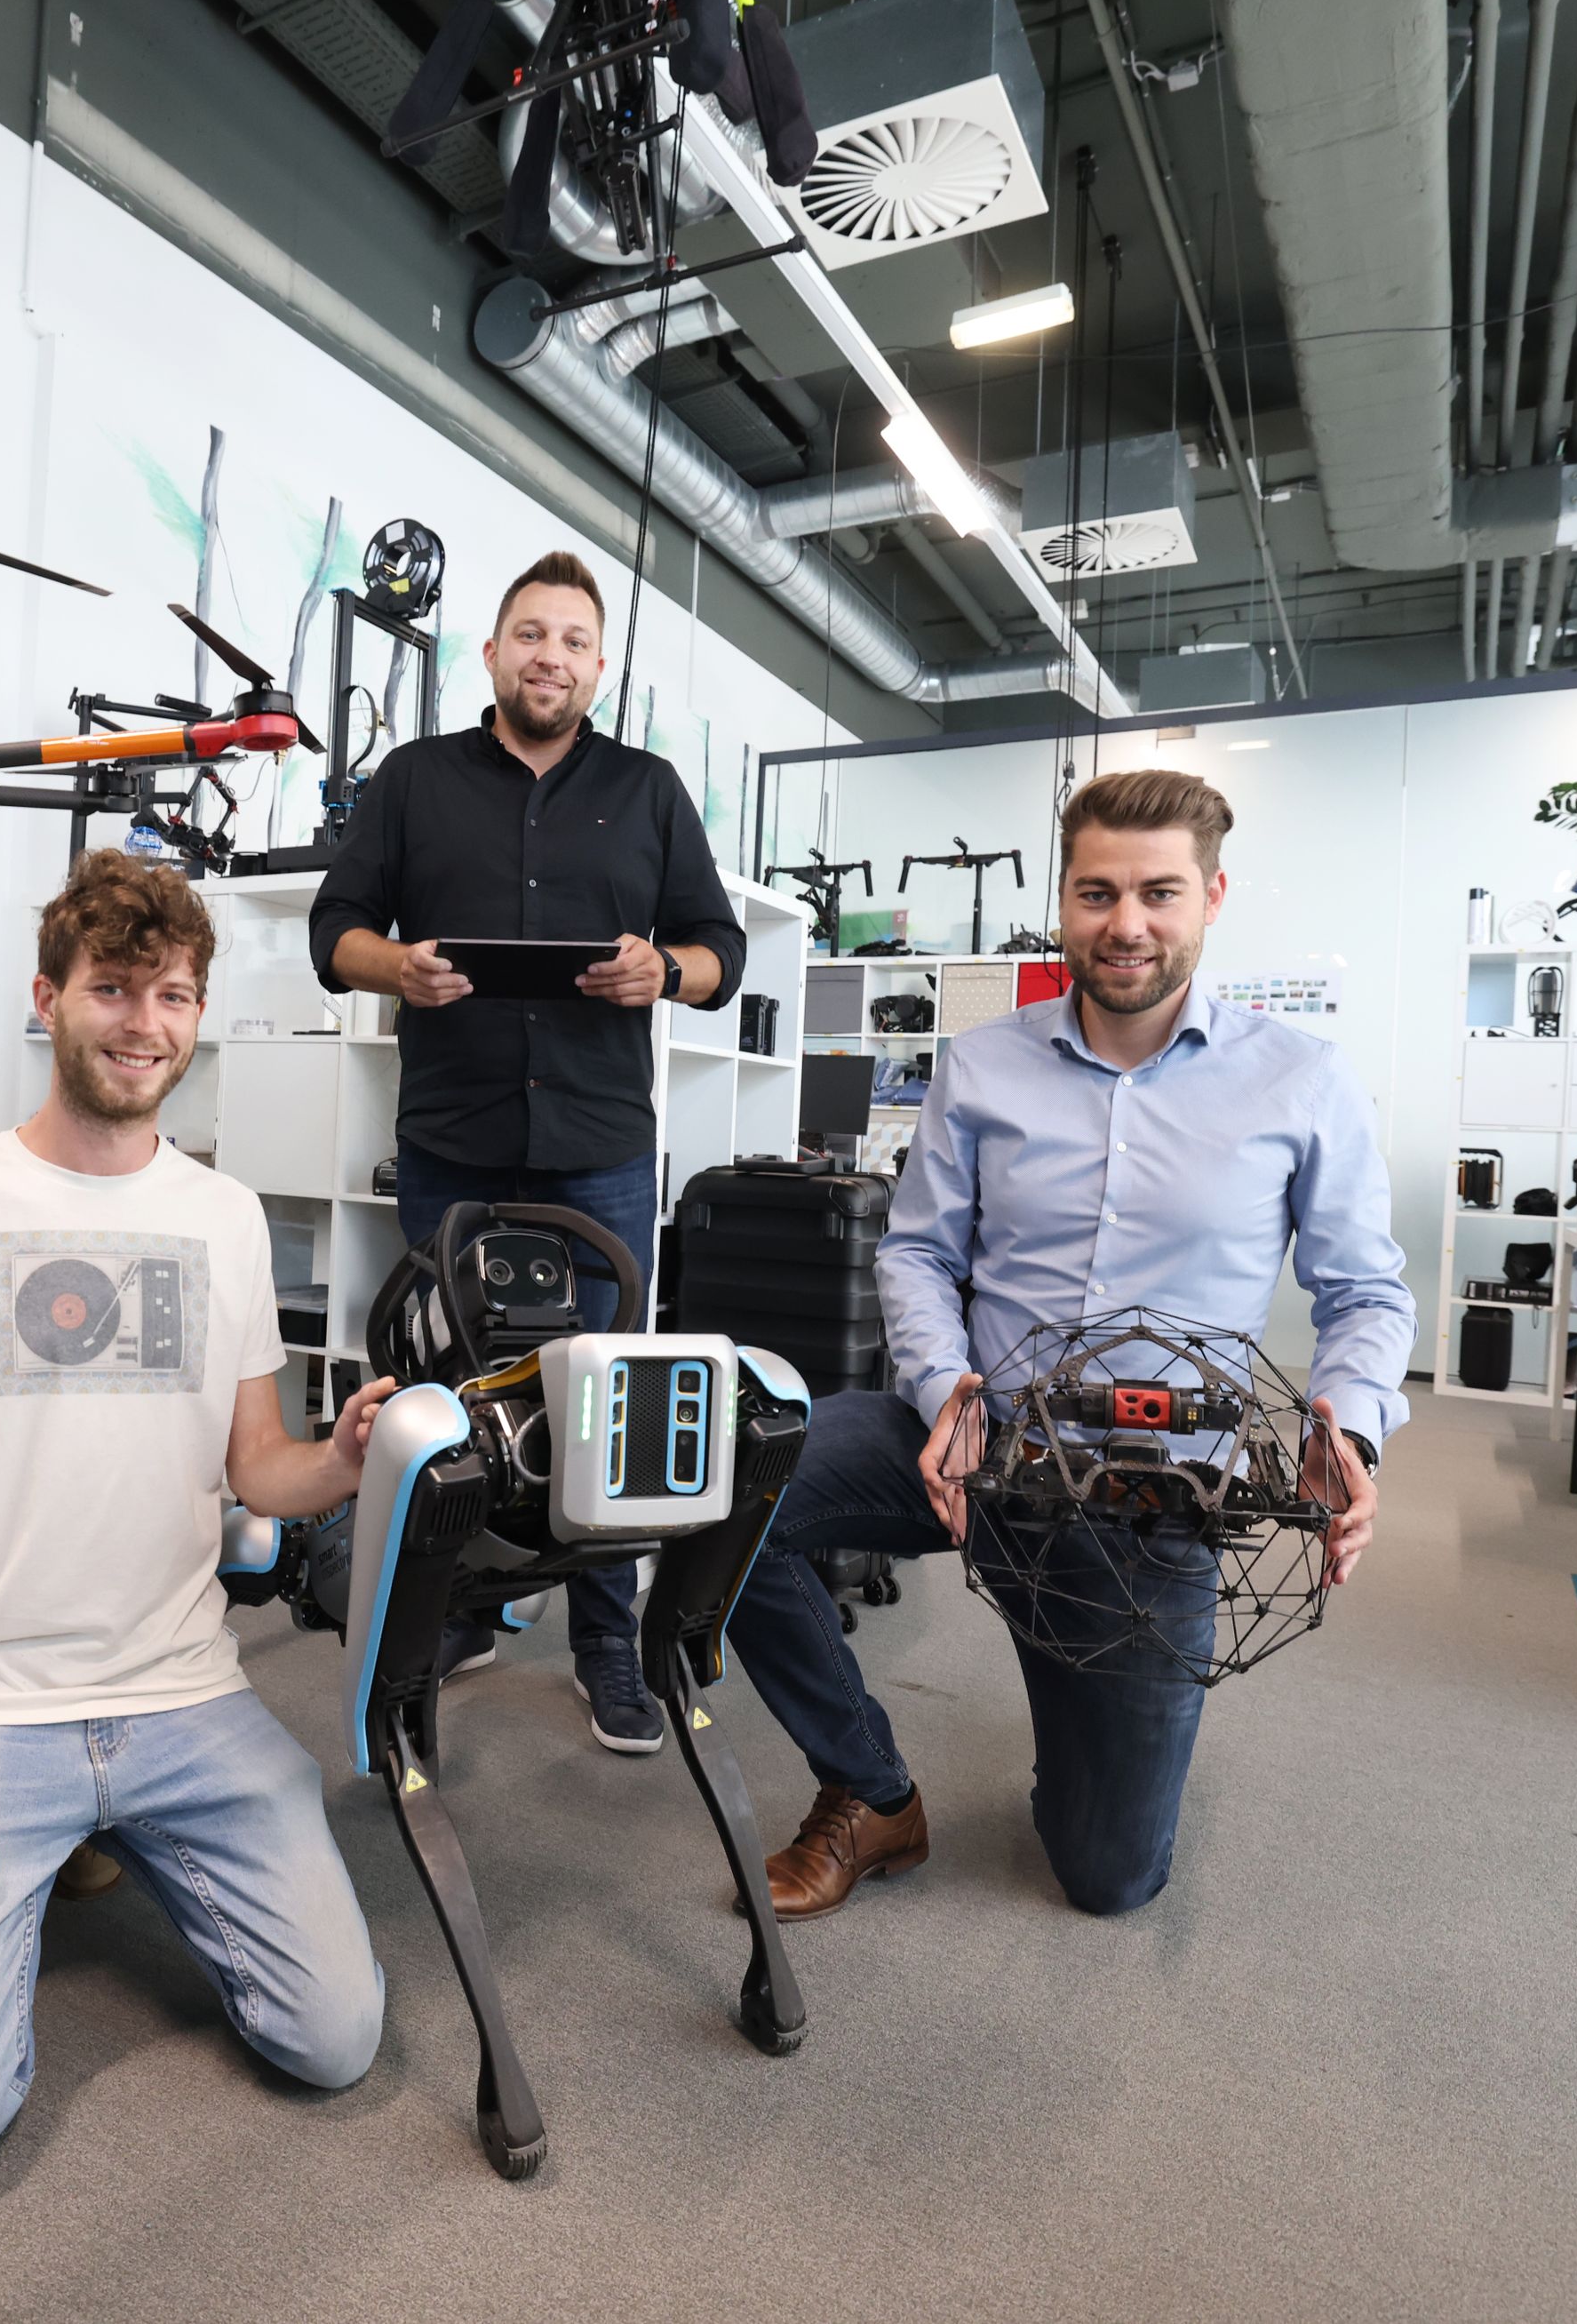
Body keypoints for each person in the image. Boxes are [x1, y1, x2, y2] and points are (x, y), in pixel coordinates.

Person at [726, 767, 1408, 1921]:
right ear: (1065, 896)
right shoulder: (984, 1065)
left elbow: (1366, 1291)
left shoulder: (1301, 1081)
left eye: (1158, 894)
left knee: (1107, 1877)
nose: (1126, 925)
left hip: (1152, 1489)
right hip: (972, 1437)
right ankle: (869, 1790)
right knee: (732, 1486)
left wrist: (1352, 1427)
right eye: (1097, 893)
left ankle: (1081, 1713)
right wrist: (945, 1393)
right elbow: (918, 1256)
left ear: (1213, 896)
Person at [0, 851, 395, 2177]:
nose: (145, 1024)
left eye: (175, 997)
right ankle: (60, 1857)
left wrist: (351, 1457)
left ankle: (119, 1844)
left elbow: (258, 1467)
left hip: (185, 1699)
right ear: (49, 999)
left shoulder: (227, 1219)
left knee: (335, 2039)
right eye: (113, 990)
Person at [310, 549, 745, 1758]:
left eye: (572, 640)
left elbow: (719, 949)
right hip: (454, 1143)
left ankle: (608, 1638)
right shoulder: (414, 781)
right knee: (453, 1393)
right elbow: (332, 927)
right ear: (492, 653)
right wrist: (395, 966)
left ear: (598, 667)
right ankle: (469, 1606)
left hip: (601, 1145)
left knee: (604, 1401)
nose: (549, 656)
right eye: (529, 634)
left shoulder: (649, 790)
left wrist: (668, 970)